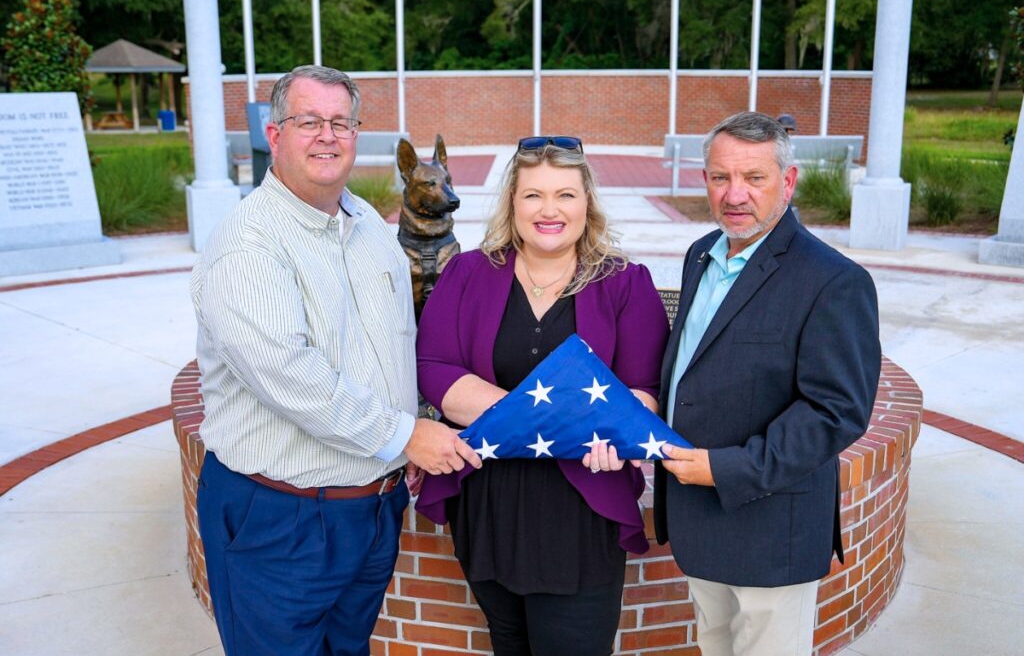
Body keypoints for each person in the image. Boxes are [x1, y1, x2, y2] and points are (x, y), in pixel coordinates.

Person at [189, 64, 481, 656]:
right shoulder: (248, 245)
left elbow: (396, 342)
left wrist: (405, 442)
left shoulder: (369, 224)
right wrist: (405, 435)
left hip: (371, 509)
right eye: (309, 121)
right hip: (279, 515)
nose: (328, 135)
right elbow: (292, 378)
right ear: (274, 136)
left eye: (341, 123)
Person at [414, 136, 670, 656]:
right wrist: (557, 419)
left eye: (565, 195)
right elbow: (434, 367)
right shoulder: (467, 274)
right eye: (533, 195)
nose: (548, 210)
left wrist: (615, 435)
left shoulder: (624, 283)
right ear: (513, 203)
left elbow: (644, 393)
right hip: (488, 503)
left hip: (580, 508)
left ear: (587, 203)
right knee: (508, 643)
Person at [654, 111, 881, 656]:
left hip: (772, 528)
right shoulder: (701, 255)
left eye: (753, 178)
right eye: (719, 177)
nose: (734, 195)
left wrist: (726, 467)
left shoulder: (834, 281)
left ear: (788, 180)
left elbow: (836, 412)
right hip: (699, 520)